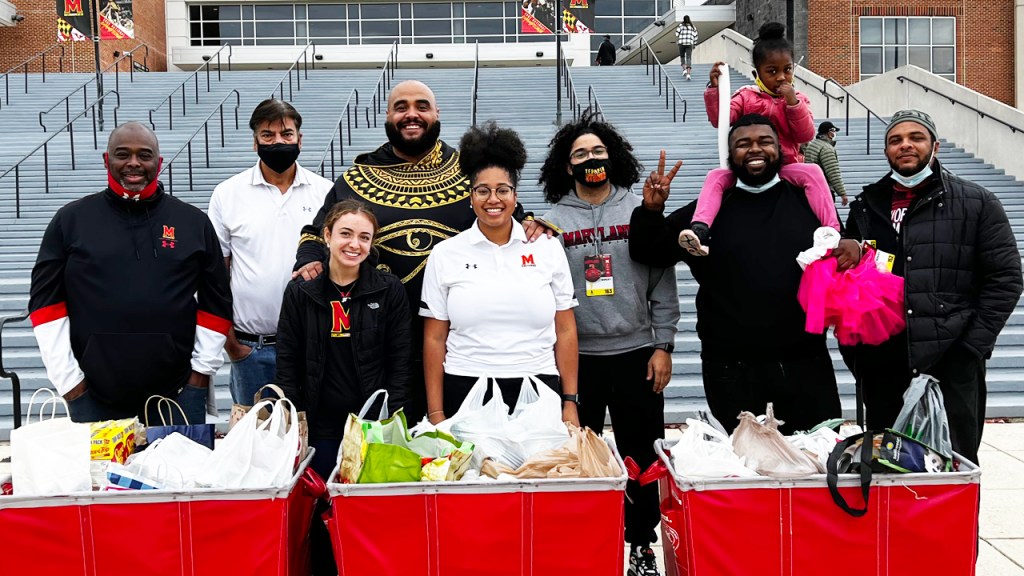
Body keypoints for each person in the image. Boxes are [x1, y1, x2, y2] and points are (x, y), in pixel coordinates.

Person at [292, 80, 551, 423]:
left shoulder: (471, 171)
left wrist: (535, 225)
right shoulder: (356, 179)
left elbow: (511, 216)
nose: (411, 114)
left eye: (421, 106)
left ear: (437, 114)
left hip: (463, 349)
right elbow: (317, 232)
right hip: (378, 348)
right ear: (387, 116)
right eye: (401, 107)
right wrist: (310, 260)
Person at [831, 109, 1022, 466]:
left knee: (951, 467)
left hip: (949, 361)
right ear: (886, 150)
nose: (905, 145)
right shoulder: (866, 205)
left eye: (915, 138)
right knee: (888, 470)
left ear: (935, 146)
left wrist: (970, 349)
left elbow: (1006, 279)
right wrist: (856, 351)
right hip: (884, 363)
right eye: (895, 140)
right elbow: (850, 280)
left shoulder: (977, 203)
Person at [630, 114, 842, 434]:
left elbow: (844, 252)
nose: (755, 149)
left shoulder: (807, 201)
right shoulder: (707, 211)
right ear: (730, 156)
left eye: (764, 142)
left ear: (780, 150)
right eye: (743, 144)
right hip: (731, 366)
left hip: (804, 362)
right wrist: (651, 211)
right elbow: (650, 252)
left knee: (816, 460)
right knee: (746, 466)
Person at [539, 114, 680, 576]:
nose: (590, 159)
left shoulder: (638, 211)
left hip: (636, 352)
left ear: (612, 156)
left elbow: (662, 281)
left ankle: (640, 544)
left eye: (597, 151)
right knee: (581, 459)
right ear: (566, 165)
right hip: (579, 359)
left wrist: (664, 344)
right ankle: (589, 545)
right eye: (579, 154)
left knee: (640, 453)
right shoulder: (551, 222)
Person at [28, 121, 232, 425]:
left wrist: (199, 376)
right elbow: (46, 306)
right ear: (106, 160)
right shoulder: (70, 221)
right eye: (123, 154)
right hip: (91, 395)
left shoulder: (191, 222)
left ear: (159, 163)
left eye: (144, 155)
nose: (134, 163)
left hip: (177, 394)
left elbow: (216, 303)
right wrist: (70, 383)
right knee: (97, 475)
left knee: (180, 474)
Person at [275, 199, 410, 576]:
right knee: (320, 516)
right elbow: (288, 362)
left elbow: (400, 361)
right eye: (346, 234)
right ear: (327, 236)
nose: (355, 244)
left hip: (369, 429)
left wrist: (391, 422)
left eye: (364, 237)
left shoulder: (389, 290)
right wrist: (295, 424)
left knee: (368, 518)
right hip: (321, 428)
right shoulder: (301, 293)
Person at [420, 121, 580, 427]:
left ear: (515, 196)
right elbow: (435, 337)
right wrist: (436, 412)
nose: (493, 199)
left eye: (502, 190)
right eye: (482, 191)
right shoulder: (445, 254)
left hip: (538, 387)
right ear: (470, 197)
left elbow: (566, 331)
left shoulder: (547, 247)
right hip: (466, 389)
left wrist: (569, 402)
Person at [208, 99, 333, 405]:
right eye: (268, 135)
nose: (278, 142)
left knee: (313, 440)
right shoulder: (228, 194)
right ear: (255, 143)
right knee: (255, 443)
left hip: (312, 347)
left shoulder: (325, 193)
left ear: (299, 140)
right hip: (253, 350)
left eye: (287, 134)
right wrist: (232, 346)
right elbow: (214, 275)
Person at [680, 22, 836, 257]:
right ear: (757, 74)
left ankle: (832, 231)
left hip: (785, 168)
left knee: (813, 171)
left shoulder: (799, 99)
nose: (781, 77)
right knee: (715, 177)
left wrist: (793, 104)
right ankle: (700, 230)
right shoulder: (746, 96)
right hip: (747, 168)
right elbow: (721, 120)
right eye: (772, 71)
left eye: (787, 70)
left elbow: (805, 135)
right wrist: (714, 90)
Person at [803, 120, 849, 207]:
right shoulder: (826, 148)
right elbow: (833, 172)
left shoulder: (812, 145)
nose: (835, 134)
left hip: (811, 189)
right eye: (834, 131)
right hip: (824, 190)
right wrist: (842, 193)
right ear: (829, 133)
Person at [675, 15, 698, 80]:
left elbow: (676, 34)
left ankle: (684, 69)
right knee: (688, 58)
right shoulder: (693, 26)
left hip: (681, 43)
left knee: (682, 57)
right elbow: (696, 36)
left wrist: (681, 35)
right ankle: (688, 74)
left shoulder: (681, 26)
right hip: (689, 44)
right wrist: (694, 44)